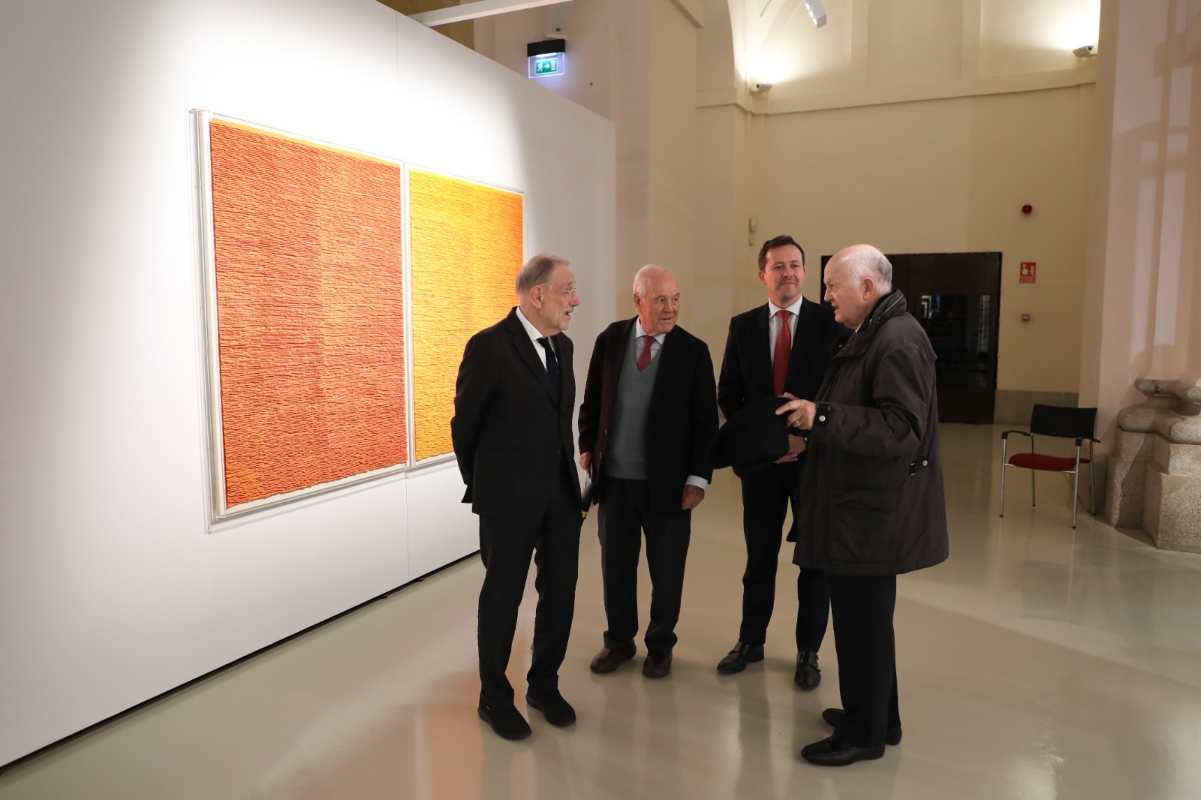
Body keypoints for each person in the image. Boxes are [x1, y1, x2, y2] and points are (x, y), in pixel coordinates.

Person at [776, 244, 948, 766]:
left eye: (832, 286)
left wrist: (820, 418)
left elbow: (900, 429)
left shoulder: (896, 340)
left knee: (861, 627)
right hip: (861, 509)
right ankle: (880, 716)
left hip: (871, 516)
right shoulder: (875, 332)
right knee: (869, 624)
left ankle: (863, 733)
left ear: (868, 288)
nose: (824, 296)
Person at [451, 254, 584, 741]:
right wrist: (489, 485)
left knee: (561, 592)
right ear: (537, 295)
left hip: (561, 498)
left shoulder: (563, 347)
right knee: (503, 597)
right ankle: (493, 696)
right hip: (508, 501)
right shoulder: (489, 347)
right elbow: (465, 427)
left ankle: (543, 685)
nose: (576, 300)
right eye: (568, 290)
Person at [578, 265, 718, 679]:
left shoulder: (694, 352)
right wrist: (588, 446)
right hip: (615, 483)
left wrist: (698, 479)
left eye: (675, 299)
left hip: (669, 486)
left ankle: (661, 645)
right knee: (616, 568)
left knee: (667, 570)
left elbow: (705, 423)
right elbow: (591, 401)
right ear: (638, 300)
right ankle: (619, 641)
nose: (670, 308)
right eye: (661, 300)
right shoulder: (611, 340)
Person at [714, 235, 843, 687]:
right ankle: (751, 642)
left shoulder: (832, 324)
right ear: (762, 274)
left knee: (814, 562)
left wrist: (808, 439)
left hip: (814, 463)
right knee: (759, 559)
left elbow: (840, 393)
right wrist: (763, 440)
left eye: (795, 265)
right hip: (762, 467)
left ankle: (808, 652)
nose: (787, 273)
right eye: (778, 266)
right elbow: (729, 392)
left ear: (805, 272)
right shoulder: (744, 326)